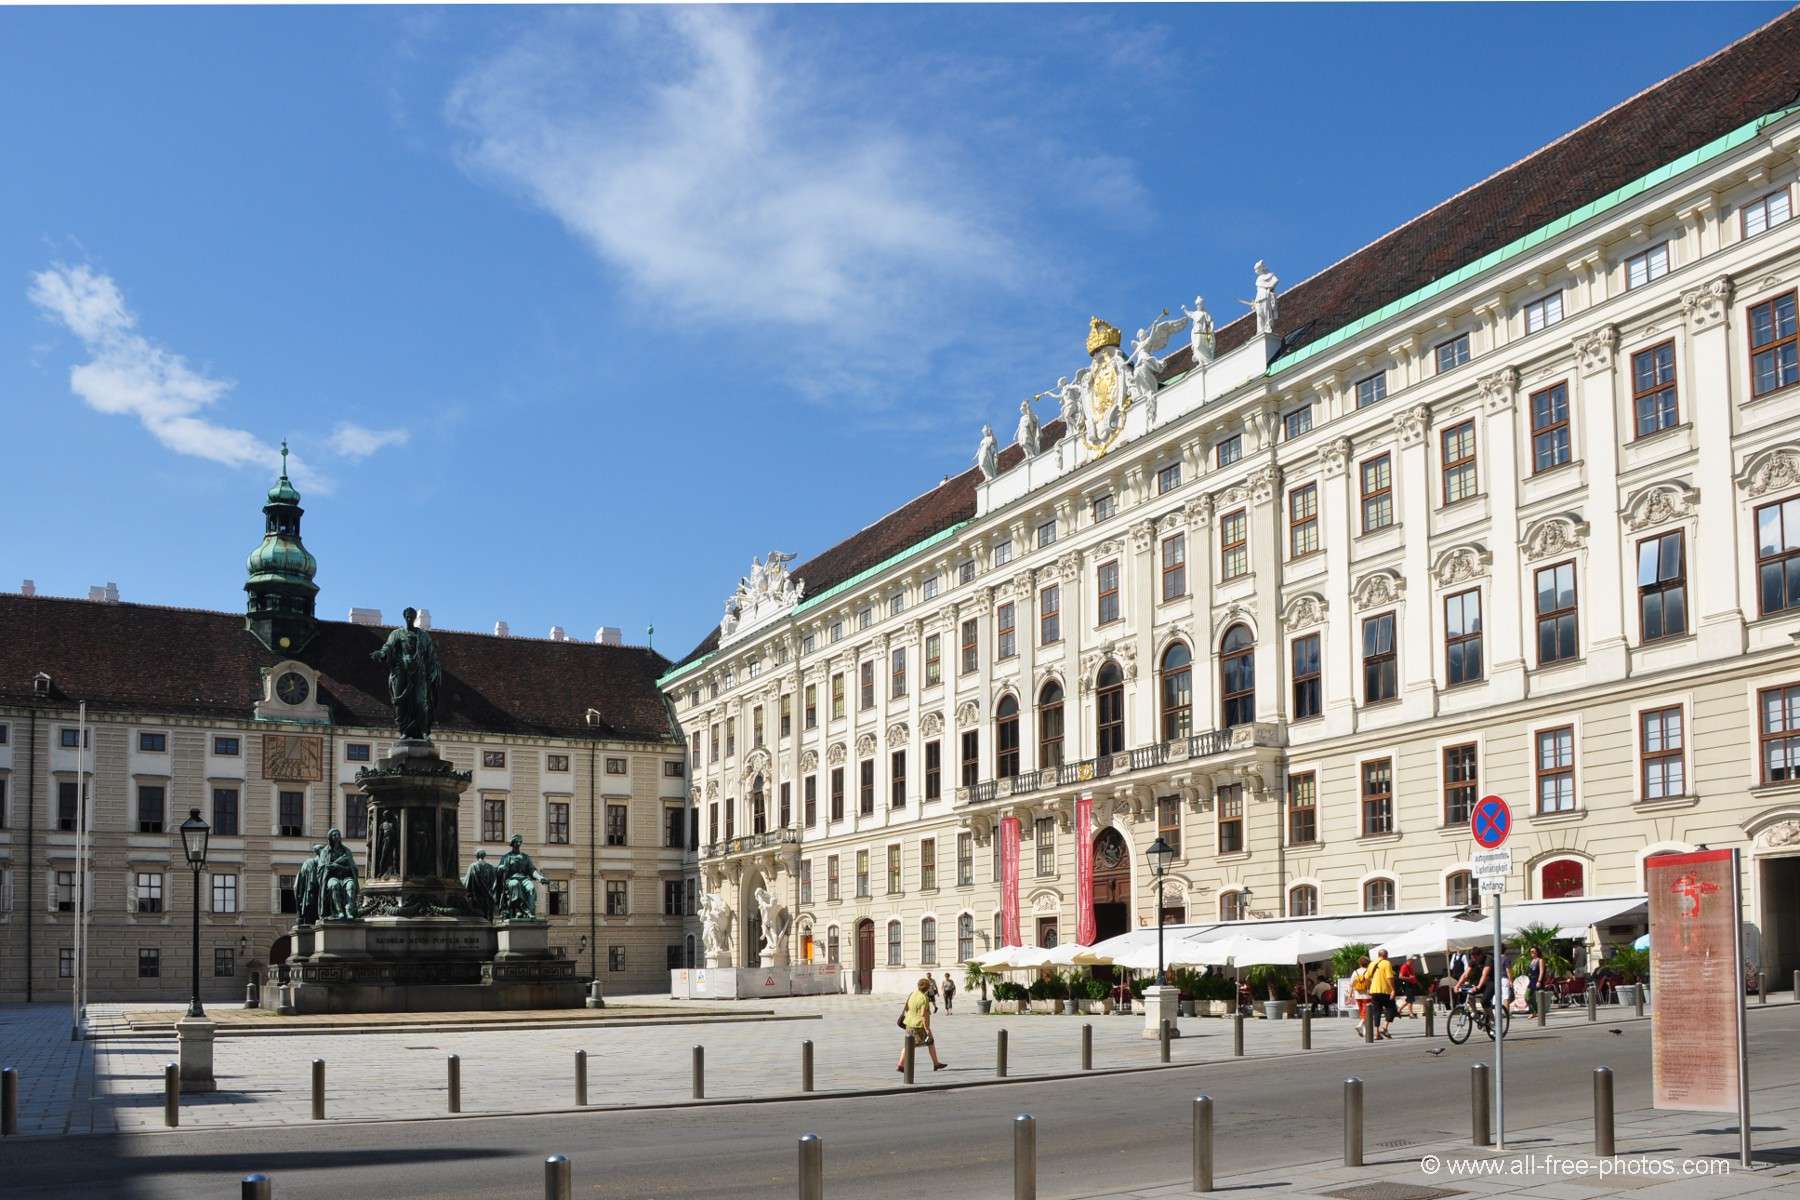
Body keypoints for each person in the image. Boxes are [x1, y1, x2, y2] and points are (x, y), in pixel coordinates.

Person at [896, 976, 946, 1072]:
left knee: (919, 1043)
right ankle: (901, 1065)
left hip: (909, 1023)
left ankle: (936, 1063)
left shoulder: (912, 994)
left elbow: (906, 1008)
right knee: (915, 1044)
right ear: (927, 988)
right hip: (919, 1025)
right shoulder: (924, 998)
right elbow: (923, 1014)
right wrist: (927, 1028)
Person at [1367, 949, 1398, 1039]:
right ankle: (1384, 1028)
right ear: (1386, 955)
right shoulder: (1386, 963)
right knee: (1392, 1009)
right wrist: (1393, 990)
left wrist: (1369, 988)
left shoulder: (1371, 964)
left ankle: (1377, 1033)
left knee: (1377, 1011)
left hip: (1374, 991)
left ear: (1378, 955)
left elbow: (1367, 977)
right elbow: (1389, 977)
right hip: (1385, 991)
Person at [1350, 956, 1372, 1034]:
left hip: (1357, 994)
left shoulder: (1355, 972)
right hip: (1367, 995)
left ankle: (1365, 1031)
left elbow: (1352, 984)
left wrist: (1350, 995)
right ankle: (1360, 1025)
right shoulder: (1369, 971)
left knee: (1362, 1012)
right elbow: (1371, 982)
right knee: (1366, 1012)